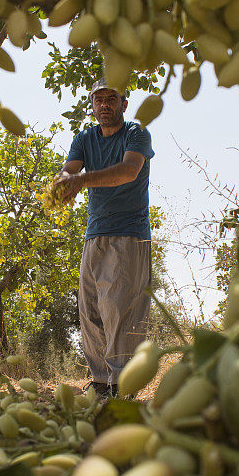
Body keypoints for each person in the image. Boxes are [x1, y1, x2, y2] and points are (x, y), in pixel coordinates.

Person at [53, 78, 154, 397]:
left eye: (112, 98)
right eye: (99, 99)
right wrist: (62, 182)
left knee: (120, 309)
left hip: (129, 232)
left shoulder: (136, 134)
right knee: (91, 308)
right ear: (92, 105)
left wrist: (80, 181)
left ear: (124, 104)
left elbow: (128, 171)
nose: (105, 104)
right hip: (94, 233)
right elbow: (69, 171)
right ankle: (100, 382)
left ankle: (123, 385)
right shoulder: (84, 138)